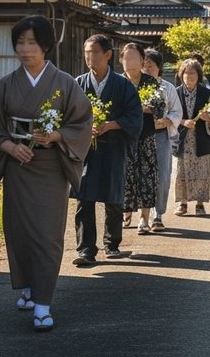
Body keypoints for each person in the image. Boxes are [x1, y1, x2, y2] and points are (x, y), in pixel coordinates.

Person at [0, 16, 93, 333]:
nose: (25, 49)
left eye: (31, 42)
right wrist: (10, 147)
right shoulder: (6, 85)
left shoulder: (64, 83)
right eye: (20, 42)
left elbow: (82, 122)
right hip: (18, 169)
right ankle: (28, 286)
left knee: (47, 235)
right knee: (20, 232)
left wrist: (57, 136)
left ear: (45, 46)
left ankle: (43, 304)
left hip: (50, 169)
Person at [71, 34, 143, 267]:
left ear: (108, 54)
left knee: (113, 196)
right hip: (86, 151)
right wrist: (86, 128)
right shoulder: (78, 83)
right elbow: (67, 115)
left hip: (114, 147)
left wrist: (110, 125)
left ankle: (112, 244)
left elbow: (135, 116)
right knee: (84, 197)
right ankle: (86, 249)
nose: (89, 57)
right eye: (86, 53)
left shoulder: (122, 85)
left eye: (94, 52)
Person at [119, 43, 161, 235]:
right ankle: (125, 211)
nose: (129, 61)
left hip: (146, 136)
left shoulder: (151, 82)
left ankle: (144, 219)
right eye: (126, 58)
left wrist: (146, 109)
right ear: (121, 60)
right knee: (124, 176)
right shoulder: (118, 82)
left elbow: (160, 108)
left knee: (147, 177)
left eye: (134, 57)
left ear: (142, 60)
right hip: (123, 137)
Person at [143, 49, 182, 231]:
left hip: (160, 136)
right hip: (139, 137)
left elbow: (177, 111)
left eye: (151, 65)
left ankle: (157, 214)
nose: (147, 69)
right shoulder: (134, 85)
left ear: (159, 67)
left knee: (162, 176)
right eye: (144, 65)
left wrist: (167, 121)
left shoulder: (167, 87)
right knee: (140, 176)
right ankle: (139, 215)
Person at [174, 59, 210, 215]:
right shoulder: (176, 93)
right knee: (182, 171)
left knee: (202, 171)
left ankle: (200, 203)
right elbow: (169, 114)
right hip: (182, 138)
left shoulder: (207, 93)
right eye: (186, 72)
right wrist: (183, 121)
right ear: (181, 74)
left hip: (201, 138)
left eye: (193, 73)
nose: (189, 76)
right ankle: (182, 203)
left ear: (199, 75)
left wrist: (208, 118)